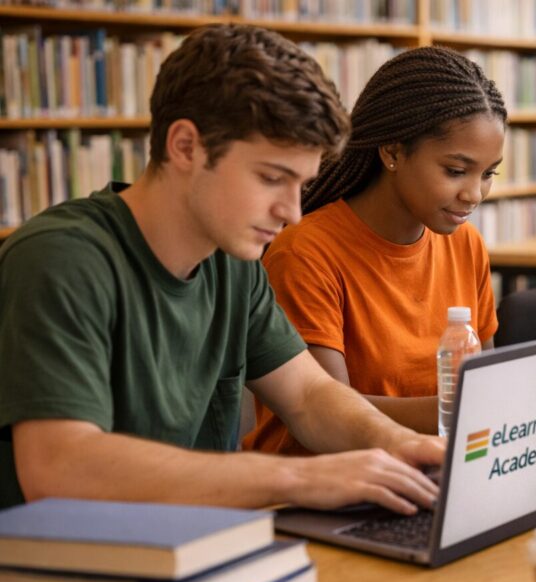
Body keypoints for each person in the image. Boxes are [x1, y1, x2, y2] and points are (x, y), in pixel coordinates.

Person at [0, 24, 444, 515]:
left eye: (302, 184)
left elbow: (309, 396)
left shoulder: (233, 260)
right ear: (186, 146)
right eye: (272, 178)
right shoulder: (60, 260)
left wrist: (400, 446)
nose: (293, 213)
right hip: (56, 567)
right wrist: (298, 477)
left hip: (194, 544)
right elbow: (58, 466)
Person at [244, 46, 505, 452]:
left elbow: (486, 380)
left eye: (488, 173)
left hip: (437, 466)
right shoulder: (306, 253)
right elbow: (328, 412)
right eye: (455, 171)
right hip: (325, 484)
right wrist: (464, 410)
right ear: (392, 153)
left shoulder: (466, 244)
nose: (475, 194)